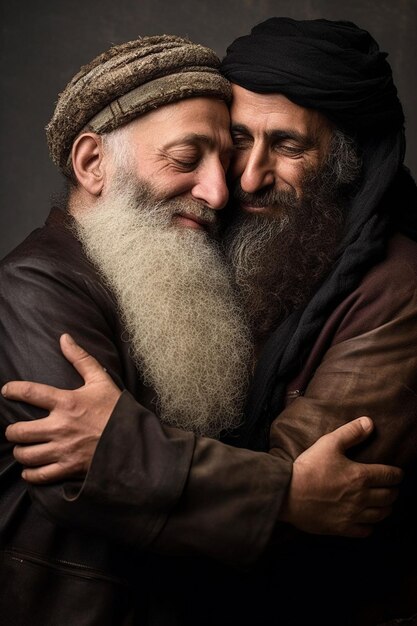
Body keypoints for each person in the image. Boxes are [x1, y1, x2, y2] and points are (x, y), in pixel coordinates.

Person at [0, 31, 405, 626]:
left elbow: (137, 465)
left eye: (285, 144)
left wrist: (128, 448)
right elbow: (81, 481)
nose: (225, 189)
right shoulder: (34, 287)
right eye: (189, 159)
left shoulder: (184, 274)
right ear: (92, 164)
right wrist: (287, 495)